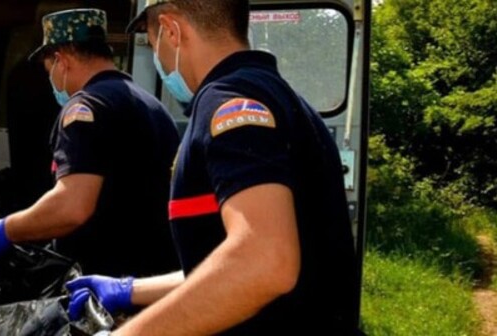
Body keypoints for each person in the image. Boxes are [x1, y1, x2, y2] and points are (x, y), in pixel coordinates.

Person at [65, 0, 361, 335]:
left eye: (152, 41)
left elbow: (264, 262)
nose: (158, 58)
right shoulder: (274, 95)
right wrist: (129, 290)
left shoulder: (226, 102)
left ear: (172, 30)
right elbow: (226, 268)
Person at [0, 8, 181, 278]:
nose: (51, 80)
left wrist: (5, 229)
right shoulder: (149, 104)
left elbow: (71, 207)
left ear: (61, 60)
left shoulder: (84, 107)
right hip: (150, 274)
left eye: (48, 69)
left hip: (102, 281)